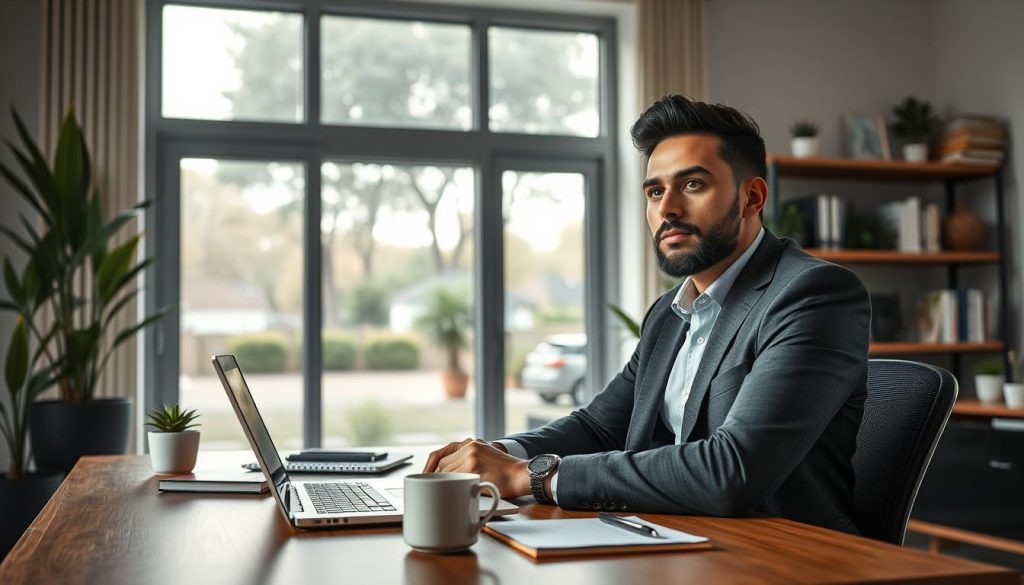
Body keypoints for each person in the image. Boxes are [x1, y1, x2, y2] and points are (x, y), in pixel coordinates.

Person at [423, 95, 870, 534]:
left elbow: (733, 469)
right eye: (655, 191)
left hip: (786, 555)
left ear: (752, 197)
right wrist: (497, 454)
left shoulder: (813, 294)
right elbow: (600, 427)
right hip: (674, 540)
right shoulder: (669, 312)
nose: (667, 209)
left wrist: (532, 475)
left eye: (692, 185)